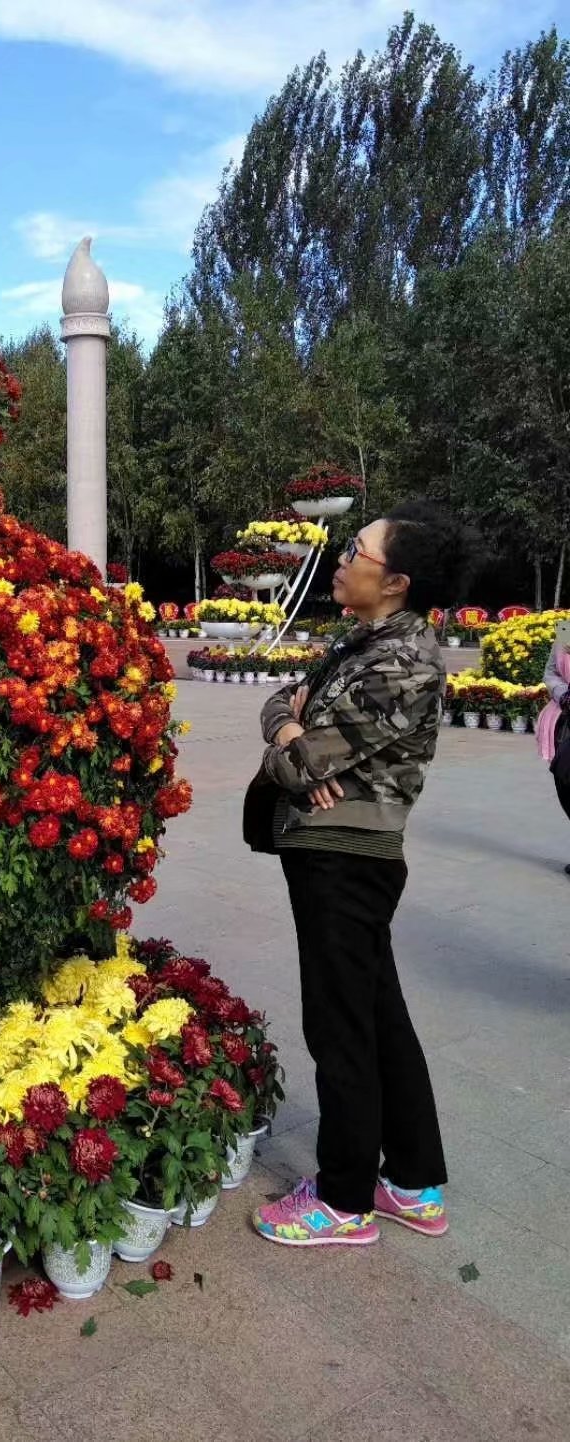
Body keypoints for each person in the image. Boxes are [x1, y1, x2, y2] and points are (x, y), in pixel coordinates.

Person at [242, 499, 475, 1249]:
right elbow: (283, 704)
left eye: (358, 552)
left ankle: (344, 1199)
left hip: (349, 859)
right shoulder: (360, 641)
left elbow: (301, 762)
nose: (343, 559)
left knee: (340, 1027)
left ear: (397, 581)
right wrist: (289, 723)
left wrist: (294, 744)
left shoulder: (403, 664)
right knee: (378, 1020)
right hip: (332, 852)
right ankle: (414, 1181)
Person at [536, 632, 570, 871]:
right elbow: (551, 672)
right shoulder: (567, 630)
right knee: (565, 783)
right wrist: (564, 694)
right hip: (566, 722)